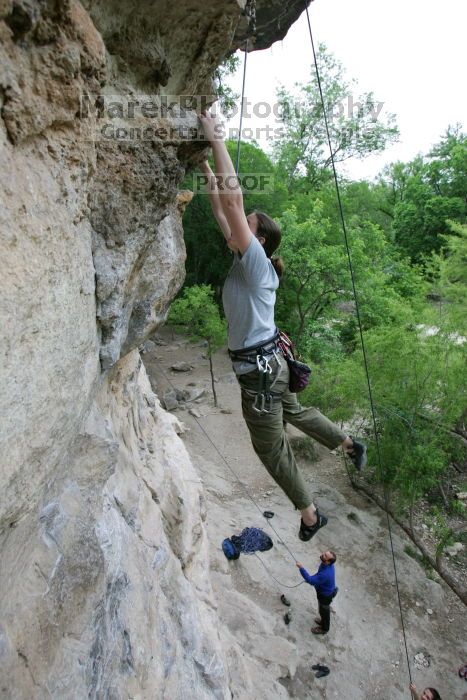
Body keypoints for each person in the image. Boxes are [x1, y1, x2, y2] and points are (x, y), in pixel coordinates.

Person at [198, 110, 367, 541]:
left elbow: (232, 203)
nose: (239, 224)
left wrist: (217, 138)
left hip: (259, 370)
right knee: (294, 410)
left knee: (270, 447)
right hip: (270, 363)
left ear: (259, 240)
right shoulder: (246, 257)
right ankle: (349, 445)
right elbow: (221, 208)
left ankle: (311, 515)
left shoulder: (253, 262)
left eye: (248, 225)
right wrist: (203, 162)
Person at [295, 552, 337, 634]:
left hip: (325, 595)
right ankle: (322, 621)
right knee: (322, 609)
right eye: (325, 553)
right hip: (325, 591)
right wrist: (315, 579)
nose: (323, 554)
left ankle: (324, 629)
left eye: (325, 555)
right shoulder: (328, 565)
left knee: (324, 611)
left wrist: (301, 568)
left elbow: (310, 580)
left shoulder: (325, 574)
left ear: (328, 561)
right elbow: (317, 577)